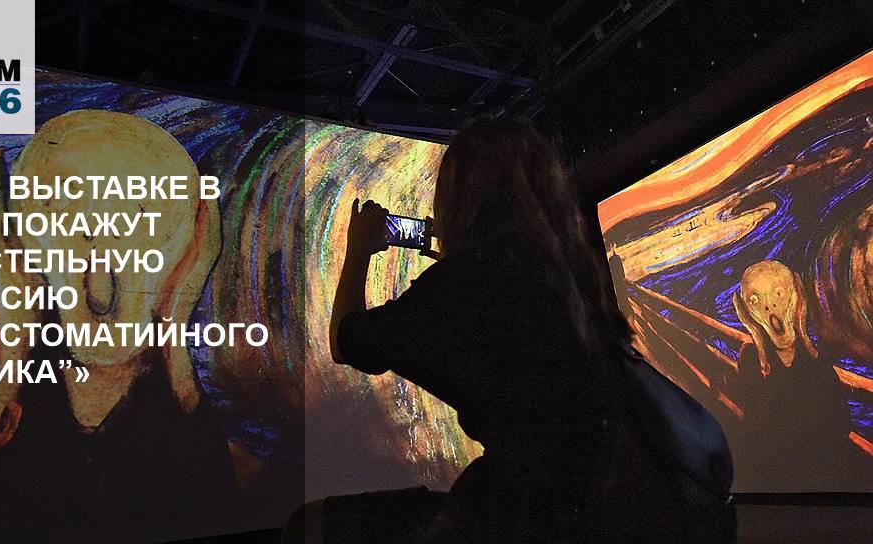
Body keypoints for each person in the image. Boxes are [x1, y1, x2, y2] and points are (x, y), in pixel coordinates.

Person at [291, 117, 686, 543]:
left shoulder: (464, 286)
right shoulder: (573, 281)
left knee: (308, 527)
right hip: (611, 509)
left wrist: (358, 250)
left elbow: (346, 341)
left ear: (459, 199)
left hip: (533, 514)